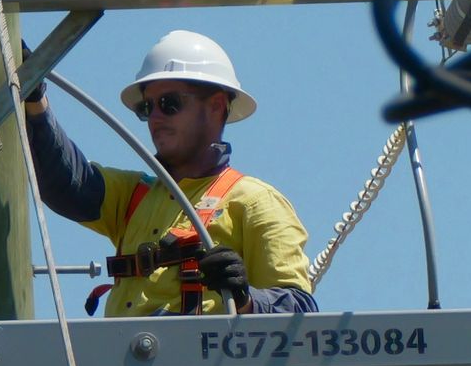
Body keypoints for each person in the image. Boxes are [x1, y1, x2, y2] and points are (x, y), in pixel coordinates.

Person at [22, 30, 316, 317]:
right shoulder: (135, 195)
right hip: (122, 359)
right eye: (147, 107)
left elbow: (300, 312)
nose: (156, 117)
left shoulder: (254, 201)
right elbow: (66, 183)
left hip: (200, 364)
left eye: (169, 103)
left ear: (215, 106)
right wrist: (35, 101)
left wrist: (245, 299)